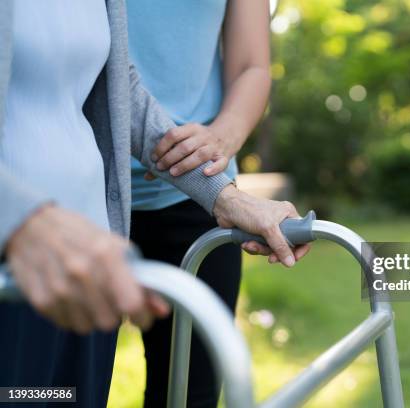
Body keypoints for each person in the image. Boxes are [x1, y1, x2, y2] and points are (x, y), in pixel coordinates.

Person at [0, 1, 308, 407]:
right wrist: (23, 221)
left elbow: (117, 87)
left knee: (78, 396)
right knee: (23, 396)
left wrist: (221, 191)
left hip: (102, 228)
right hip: (28, 250)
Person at [125, 0, 273, 406]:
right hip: (81, 189)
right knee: (51, 389)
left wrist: (219, 140)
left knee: (190, 395)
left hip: (200, 194)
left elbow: (252, 65)